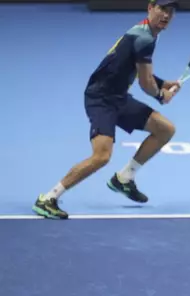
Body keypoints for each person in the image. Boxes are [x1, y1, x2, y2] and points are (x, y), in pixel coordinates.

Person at [32, 0, 181, 219]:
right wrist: (161, 94)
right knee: (101, 156)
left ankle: (124, 178)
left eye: (170, 11)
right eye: (162, 9)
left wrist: (161, 82)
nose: (166, 15)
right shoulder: (145, 38)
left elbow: (135, 69)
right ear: (150, 8)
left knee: (165, 129)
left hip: (118, 97)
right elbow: (145, 84)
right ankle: (48, 198)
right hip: (101, 98)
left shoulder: (146, 32)